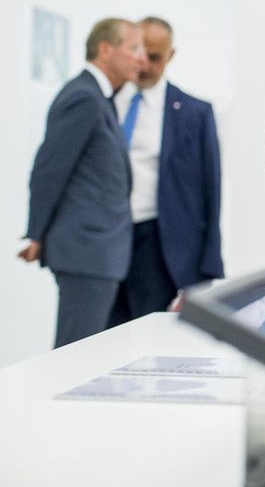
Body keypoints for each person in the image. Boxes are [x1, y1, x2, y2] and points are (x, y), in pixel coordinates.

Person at [18, 18, 146, 346]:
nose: (142, 59)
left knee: (89, 356)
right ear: (105, 49)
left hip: (100, 254)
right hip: (87, 252)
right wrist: (36, 232)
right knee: (73, 356)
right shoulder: (83, 97)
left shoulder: (99, 98)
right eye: (134, 48)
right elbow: (50, 168)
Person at [110, 16, 223, 323]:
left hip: (159, 246)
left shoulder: (195, 113)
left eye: (155, 57)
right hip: (108, 242)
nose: (144, 64)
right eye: (139, 53)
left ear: (170, 55)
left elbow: (210, 191)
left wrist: (208, 266)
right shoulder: (105, 103)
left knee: (148, 337)